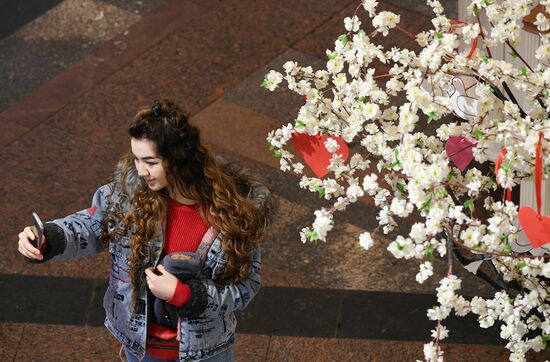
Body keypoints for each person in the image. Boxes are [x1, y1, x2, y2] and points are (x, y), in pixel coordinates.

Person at [17, 100, 272, 361]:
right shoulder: (127, 197)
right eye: (136, 159)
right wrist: (48, 238)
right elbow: (89, 226)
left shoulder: (233, 213)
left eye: (150, 162)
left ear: (178, 159)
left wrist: (185, 296)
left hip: (206, 354)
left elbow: (245, 287)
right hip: (141, 350)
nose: (140, 171)